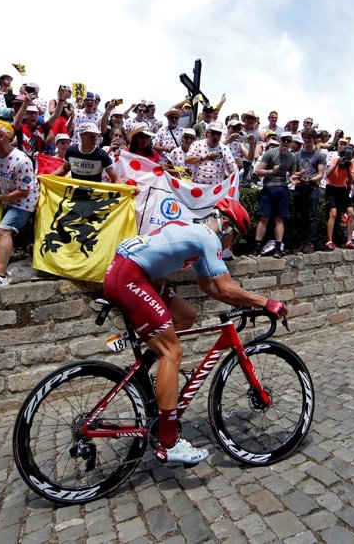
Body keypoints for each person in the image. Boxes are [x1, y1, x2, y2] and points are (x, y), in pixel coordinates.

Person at [103, 198, 286, 465]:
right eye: (233, 236)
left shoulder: (198, 237)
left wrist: (245, 303)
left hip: (132, 273)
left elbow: (210, 288)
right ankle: (169, 443)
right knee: (172, 352)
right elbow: (225, 288)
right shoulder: (208, 238)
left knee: (187, 315)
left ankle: (158, 373)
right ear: (225, 225)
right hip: (130, 277)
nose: (230, 244)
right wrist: (266, 302)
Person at [0, 122, 39, 290]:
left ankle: (0, 275)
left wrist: (2, 197)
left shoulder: (21, 160)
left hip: (25, 200)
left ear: (2, 136)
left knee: (3, 230)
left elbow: (24, 192)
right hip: (7, 198)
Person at [255, 132, 297, 257]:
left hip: (282, 188)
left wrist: (297, 177)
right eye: (283, 140)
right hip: (268, 187)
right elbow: (258, 171)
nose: (285, 143)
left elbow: (293, 174)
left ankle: (278, 247)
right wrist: (271, 171)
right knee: (264, 218)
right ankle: (256, 246)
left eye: (288, 140)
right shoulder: (270, 153)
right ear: (279, 140)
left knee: (280, 218)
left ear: (291, 143)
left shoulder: (292, 157)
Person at [50, 122, 120, 183]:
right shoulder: (71, 151)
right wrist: (47, 177)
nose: (95, 138)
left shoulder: (102, 155)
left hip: (93, 195)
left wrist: (129, 191)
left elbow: (116, 179)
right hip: (75, 193)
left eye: (96, 135)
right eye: (91, 136)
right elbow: (64, 169)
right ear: (81, 135)